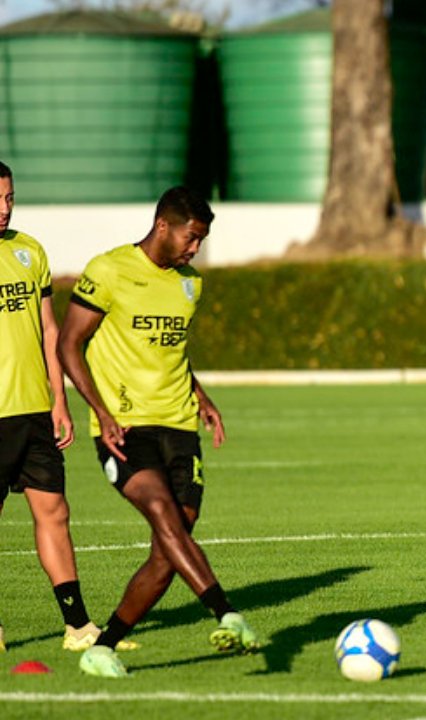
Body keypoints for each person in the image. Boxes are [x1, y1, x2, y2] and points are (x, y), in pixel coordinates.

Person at [59, 186, 261, 677]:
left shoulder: (191, 285)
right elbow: (69, 345)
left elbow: (170, 353)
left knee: (171, 548)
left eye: (202, 242)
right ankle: (226, 613)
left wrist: (200, 394)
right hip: (125, 428)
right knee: (162, 515)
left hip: (179, 427)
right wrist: (101, 412)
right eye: (192, 238)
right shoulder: (109, 270)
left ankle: (103, 646)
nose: (196, 250)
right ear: (163, 225)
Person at [0, 160, 139, 653]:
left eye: (10, 198)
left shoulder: (28, 251)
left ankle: (78, 626)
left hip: (34, 410)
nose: (4, 209)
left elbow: (50, 331)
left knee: (54, 512)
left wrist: (59, 400)